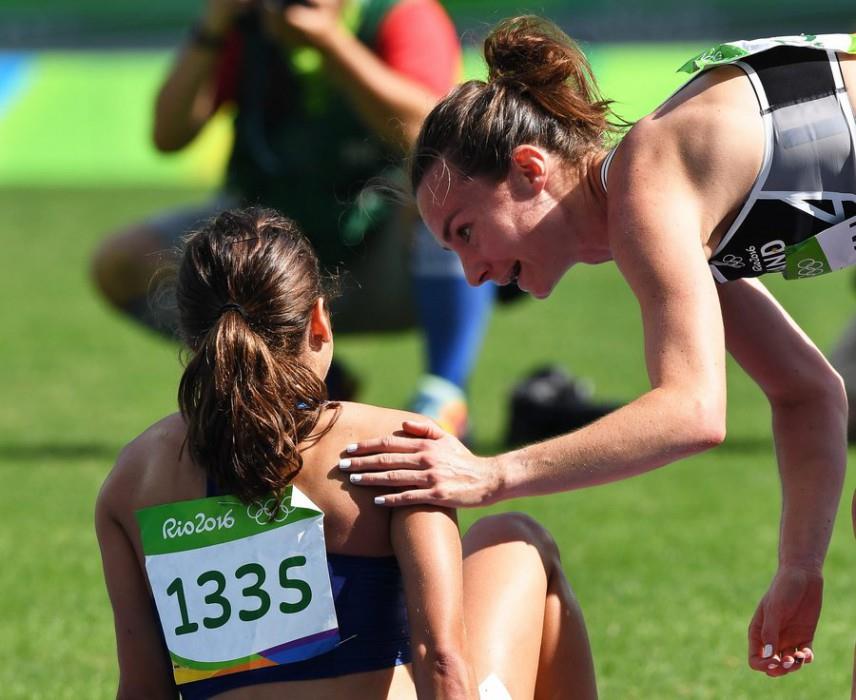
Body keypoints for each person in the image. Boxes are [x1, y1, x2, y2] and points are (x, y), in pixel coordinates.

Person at [340, 16, 856, 679]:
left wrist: (493, 474)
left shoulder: (648, 183)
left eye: (466, 232)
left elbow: (692, 411)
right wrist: (800, 566)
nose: (472, 275)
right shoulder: (663, 199)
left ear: (529, 170)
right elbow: (807, 391)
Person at [94, 208, 598, 699]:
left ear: (192, 335)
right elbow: (442, 661)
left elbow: (142, 690)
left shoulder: (135, 478)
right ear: (319, 321)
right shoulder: (393, 443)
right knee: (515, 538)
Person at [90, 0, 495, 438]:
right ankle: (302, 379)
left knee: (450, 200)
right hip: (270, 265)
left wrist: (330, 42)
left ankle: (445, 395)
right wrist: (213, 27)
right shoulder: (243, 27)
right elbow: (168, 135)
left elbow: (427, 131)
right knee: (122, 264)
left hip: (386, 260)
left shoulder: (400, 14)